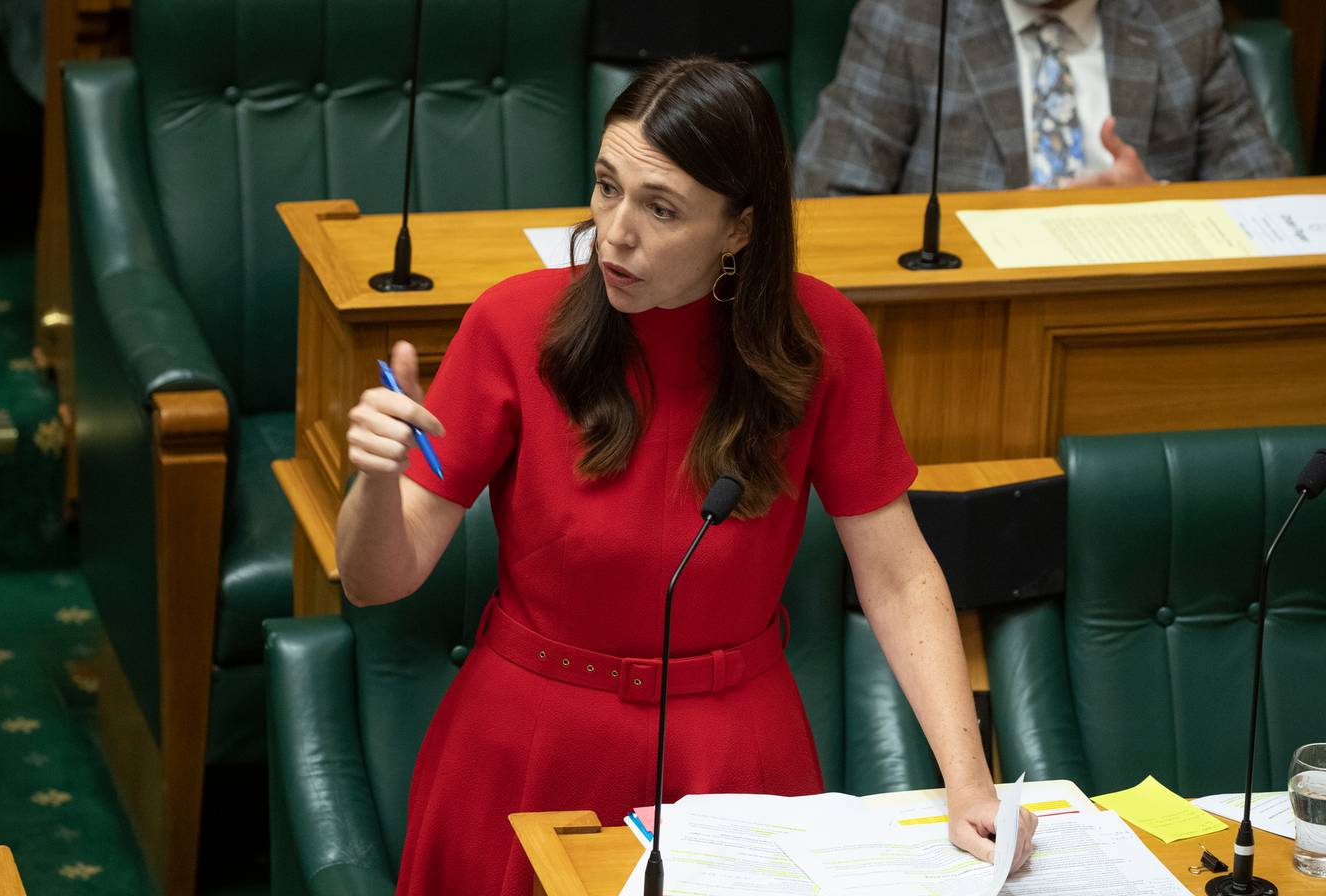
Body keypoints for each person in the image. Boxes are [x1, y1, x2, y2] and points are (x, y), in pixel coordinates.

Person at [337, 58, 1038, 895]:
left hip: (737, 757)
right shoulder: (513, 324)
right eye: (605, 187)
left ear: (739, 229)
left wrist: (969, 782)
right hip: (526, 752)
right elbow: (376, 579)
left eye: (660, 208)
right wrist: (375, 481)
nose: (615, 232)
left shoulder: (824, 342)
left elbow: (896, 573)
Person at [795, 0, 1293, 196]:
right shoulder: (910, 18)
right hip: (975, 326)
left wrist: (1158, 203)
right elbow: (825, 203)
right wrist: (991, 229)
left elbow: (1267, 194)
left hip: (1146, 317)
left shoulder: (1180, 17)